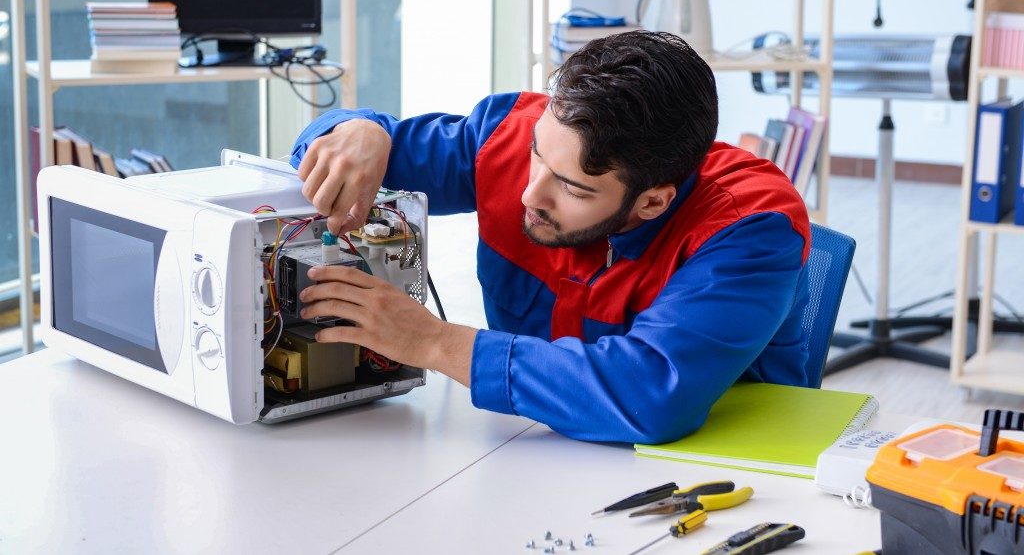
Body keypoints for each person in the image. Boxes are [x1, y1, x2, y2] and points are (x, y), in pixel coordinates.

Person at [290, 31, 811, 444]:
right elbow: (333, 163)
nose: (529, 194)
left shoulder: (752, 226)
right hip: (530, 448)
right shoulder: (512, 136)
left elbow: (653, 394)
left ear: (653, 201)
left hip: (706, 479)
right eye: (539, 154)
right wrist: (359, 131)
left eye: (572, 188)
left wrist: (432, 342)